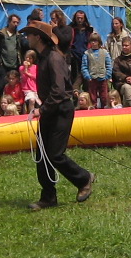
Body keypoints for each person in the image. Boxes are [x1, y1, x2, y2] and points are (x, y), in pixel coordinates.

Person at [24, 21, 95, 210]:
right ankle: (48, 197)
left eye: (29, 34)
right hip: (51, 109)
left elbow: (59, 90)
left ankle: (84, 178)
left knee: (55, 154)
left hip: (61, 110)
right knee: (42, 155)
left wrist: (42, 109)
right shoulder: (43, 57)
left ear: (38, 37)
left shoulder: (54, 58)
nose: (27, 37)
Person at [81, 33, 112, 108]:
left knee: (104, 97)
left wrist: (107, 75)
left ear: (99, 42)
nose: (93, 43)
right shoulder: (87, 53)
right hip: (92, 79)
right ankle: (93, 109)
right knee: (92, 97)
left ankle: (105, 109)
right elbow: (84, 66)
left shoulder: (105, 52)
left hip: (103, 78)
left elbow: (109, 65)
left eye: (95, 41)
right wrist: (87, 76)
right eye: (91, 41)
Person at [0, 14, 23, 93]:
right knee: (0, 85)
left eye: (17, 23)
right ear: (9, 22)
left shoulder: (18, 35)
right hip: (3, 64)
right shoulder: (0, 34)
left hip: (15, 64)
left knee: (14, 85)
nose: (15, 24)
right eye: (14, 22)